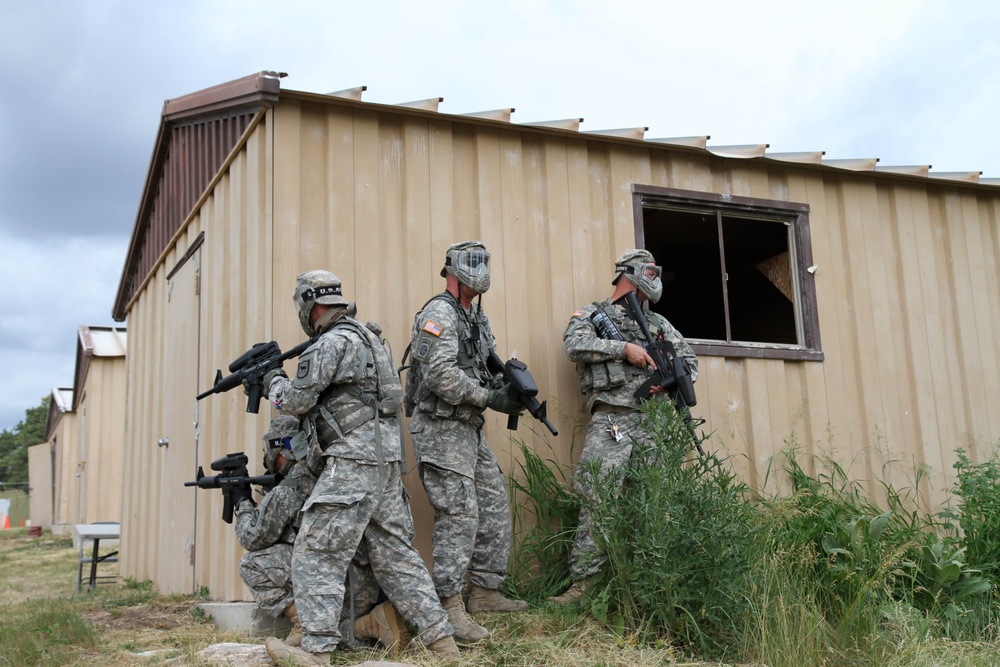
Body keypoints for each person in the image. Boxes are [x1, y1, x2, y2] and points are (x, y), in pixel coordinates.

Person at [260, 270, 459, 665]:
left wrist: (274, 383)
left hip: (353, 462)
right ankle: (444, 643)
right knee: (396, 557)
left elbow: (296, 402)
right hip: (385, 462)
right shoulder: (367, 337)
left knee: (316, 550)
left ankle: (317, 651)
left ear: (308, 303)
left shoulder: (330, 343)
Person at [551, 248, 699, 604]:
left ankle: (649, 584)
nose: (654, 279)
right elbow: (575, 344)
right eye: (647, 271)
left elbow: (689, 361)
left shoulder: (659, 324)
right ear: (628, 273)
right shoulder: (593, 315)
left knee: (654, 500)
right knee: (598, 497)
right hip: (612, 421)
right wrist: (623, 349)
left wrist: (670, 378)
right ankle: (583, 587)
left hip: (651, 422)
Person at [406, 240, 528, 644]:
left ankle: (486, 591)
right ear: (453, 272)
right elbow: (439, 375)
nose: (479, 271)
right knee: (458, 515)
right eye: (472, 264)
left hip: (468, 429)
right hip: (441, 430)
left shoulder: (475, 316)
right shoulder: (439, 313)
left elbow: (485, 365)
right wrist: (489, 397)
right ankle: (449, 608)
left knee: (491, 503)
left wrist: (510, 389)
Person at [232, 416, 393, 652]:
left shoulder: (289, 488)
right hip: (367, 585)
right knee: (328, 619)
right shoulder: (333, 473)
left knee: (251, 564)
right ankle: (369, 624)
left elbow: (252, 538)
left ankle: (303, 625)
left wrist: (243, 504)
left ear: (279, 449)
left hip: (334, 586)